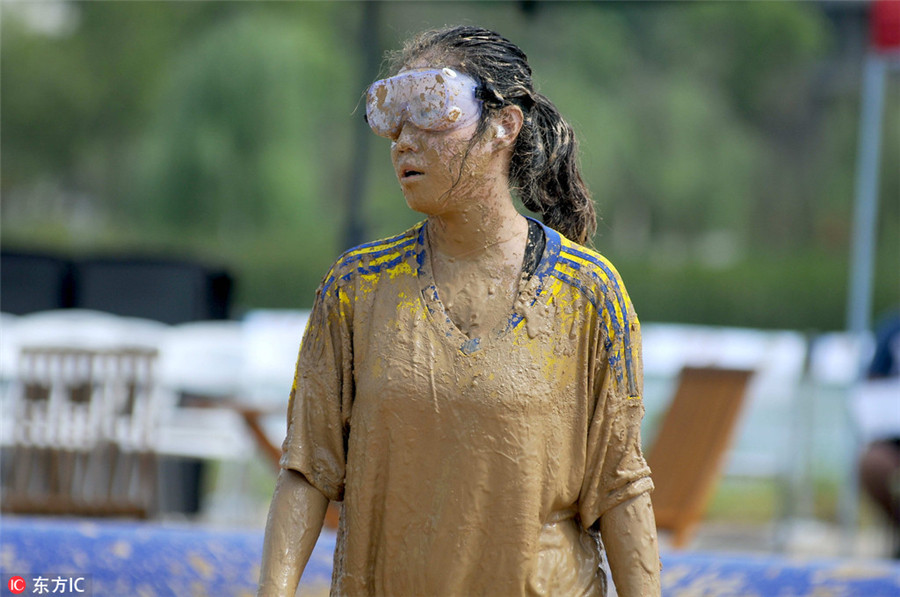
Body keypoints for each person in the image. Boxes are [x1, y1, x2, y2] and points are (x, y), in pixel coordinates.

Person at [258, 26, 660, 596]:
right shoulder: (356, 288)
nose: (402, 139)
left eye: (430, 109)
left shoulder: (588, 295)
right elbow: (307, 469)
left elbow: (620, 487)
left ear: (503, 125)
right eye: (393, 116)